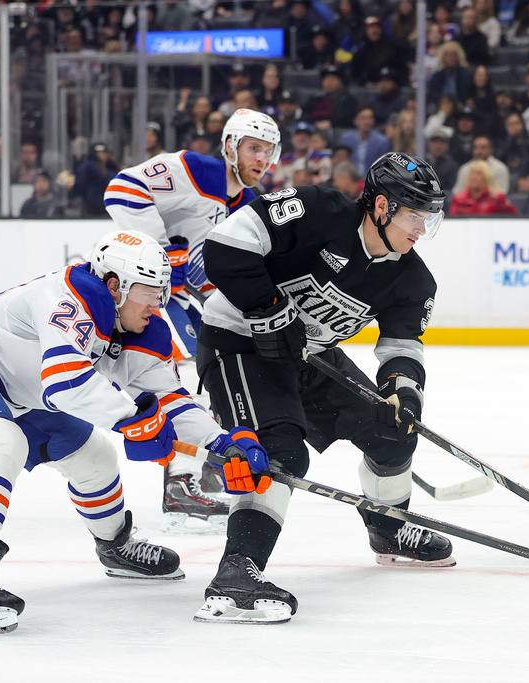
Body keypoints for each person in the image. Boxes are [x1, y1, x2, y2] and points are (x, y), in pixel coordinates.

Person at [0, 230, 272, 633]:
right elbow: (66, 382)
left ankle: (115, 546)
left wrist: (220, 442)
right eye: (149, 292)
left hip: (22, 392)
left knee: (95, 455)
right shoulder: (72, 296)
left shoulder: (136, 326)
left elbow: (169, 398)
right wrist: (133, 418)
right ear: (115, 285)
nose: (158, 304)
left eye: (162, 292)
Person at [193, 153, 455, 624]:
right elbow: (223, 246)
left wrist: (403, 391)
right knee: (280, 453)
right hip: (239, 342)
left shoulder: (412, 279)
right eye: (414, 215)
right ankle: (237, 571)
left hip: (309, 354)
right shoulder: (317, 210)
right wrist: (267, 305)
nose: (421, 229)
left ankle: (389, 530)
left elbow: (402, 346)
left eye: (428, 218)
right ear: (380, 205)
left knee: (393, 429)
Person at [104, 109, 282, 531]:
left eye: (268, 151)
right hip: (141, 295)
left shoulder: (250, 205)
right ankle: (181, 482)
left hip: (182, 300)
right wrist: (163, 250)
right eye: (253, 148)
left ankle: (199, 467)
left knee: (208, 374)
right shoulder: (200, 170)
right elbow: (121, 188)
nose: (261, 159)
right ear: (229, 147)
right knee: (173, 379)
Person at [450, 159, 519, 216]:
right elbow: (453, 221)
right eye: (472, 174)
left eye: (479, 174)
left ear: (486, 177)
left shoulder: (497, 198)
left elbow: (513, 218)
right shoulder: (458, 199)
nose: (474, 177)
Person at [339, 107, 392, 177]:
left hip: (371, 178)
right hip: (349, 177)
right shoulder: (346, 138)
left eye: (370, 118)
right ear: (355, 120)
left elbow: (382, 166)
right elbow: (343, 161)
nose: (367, 122)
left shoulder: (382, 141)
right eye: (363, 118)